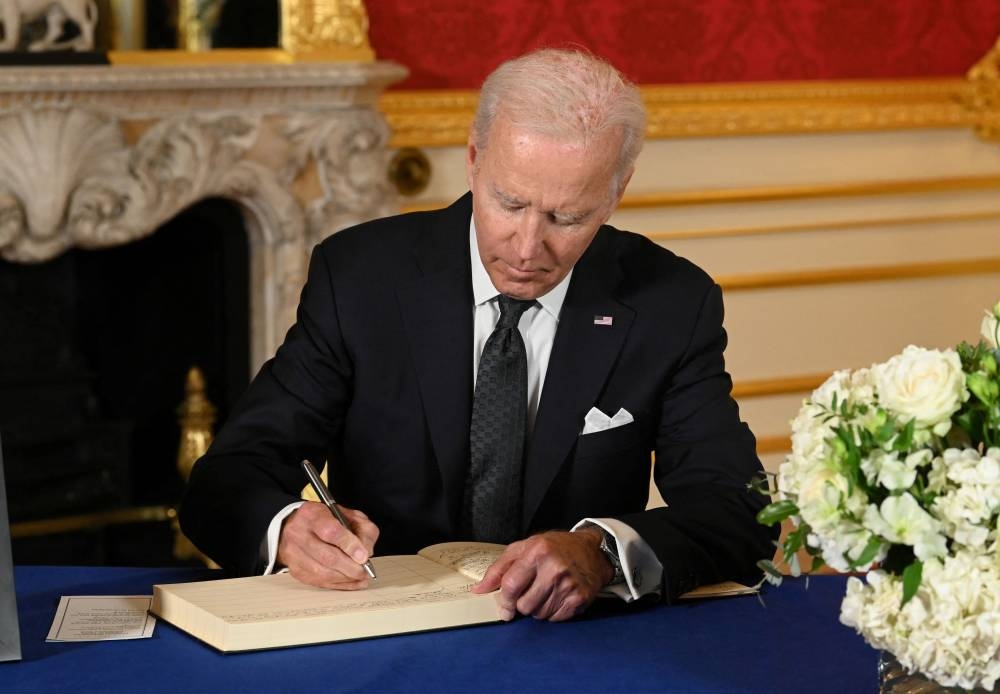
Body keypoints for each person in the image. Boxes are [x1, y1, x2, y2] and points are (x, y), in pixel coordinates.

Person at [179, 48, 776, 623]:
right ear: (473, 159)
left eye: (566, 219)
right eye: (508, 202)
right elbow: (229, 478)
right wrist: (286, 527)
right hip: (382, 623)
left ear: (615, 195)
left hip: (578, 639)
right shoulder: (360, 278)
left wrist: (601, 550)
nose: (526, 248)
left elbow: (740, 511)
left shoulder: (671, 302)